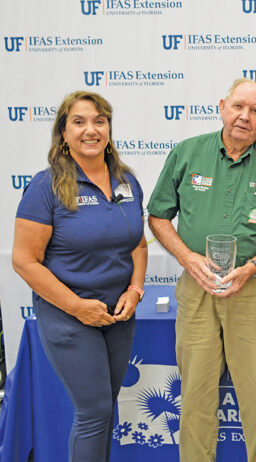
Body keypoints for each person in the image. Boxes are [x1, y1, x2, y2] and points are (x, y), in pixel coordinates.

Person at [147, 78, 256, 462]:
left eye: (254, 111)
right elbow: (158, 216)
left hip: (255, 289)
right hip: (197, 287)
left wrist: (253, 266)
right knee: (196, 395)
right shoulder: (187, 153)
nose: (244, 117)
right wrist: (187, 259)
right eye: (238, 107)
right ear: (221, 106)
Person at [12, 91, 148, 462]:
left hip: (118, 316)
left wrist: (135, 290)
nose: (91, 129)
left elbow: (138, 244)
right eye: (80, 121)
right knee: (93, 414)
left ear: (108, 129)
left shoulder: (126, 181)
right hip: (69, 316)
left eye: (99, 121)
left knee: (105, 411)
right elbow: (25, 261)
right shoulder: (46, 186)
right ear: (63, 133)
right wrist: (76, 306)